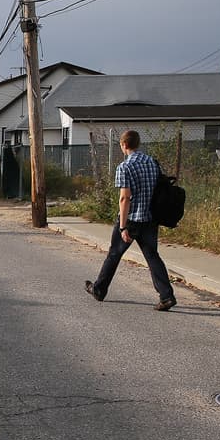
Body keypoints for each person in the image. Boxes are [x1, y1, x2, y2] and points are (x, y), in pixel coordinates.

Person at [85, 130, 177, 310]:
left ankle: (99, 289)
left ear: (124, 145)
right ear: (138, 143)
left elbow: (124, 198)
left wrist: (122, 226)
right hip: (150, 218)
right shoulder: (152, 162)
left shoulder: (124, 167)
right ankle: (166, 296)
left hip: (132, 219)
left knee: (114, 254)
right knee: (152, 256)